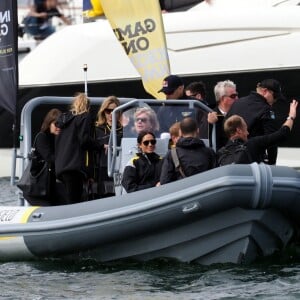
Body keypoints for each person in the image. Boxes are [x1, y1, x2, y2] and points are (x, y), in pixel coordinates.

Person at [218, 100, 298, 165]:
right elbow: (282, 133)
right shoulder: (253, 144)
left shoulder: (221, 152)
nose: (248, 133)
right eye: (245, 129)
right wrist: (291, 117)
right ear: (239, 130)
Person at [55, 92, 101, 204]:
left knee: (69, 198)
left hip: (62, 166)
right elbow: (84, 140)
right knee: (75, 200)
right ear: (87, 106)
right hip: (75, 166)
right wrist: (99, 145)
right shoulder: (85, 117)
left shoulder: (64, 120)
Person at [226, 79, 283, 165]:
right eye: (275, 96)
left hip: (231, 158)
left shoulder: (237, 103)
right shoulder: (266, 109)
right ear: (265, 91)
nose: (275, 100)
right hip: (253, 162)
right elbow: (272, 140)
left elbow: (225, 128)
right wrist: (272, 163)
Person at [160, 117, 216, 184]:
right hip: (206, 192)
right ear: (198, 131)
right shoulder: (209, 152)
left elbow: (164, 181)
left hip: (183, 192)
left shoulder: (172, 154)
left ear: (181, 132)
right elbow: (216, 177)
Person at [24, 108, 62, 206]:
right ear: (49, 123)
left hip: (51, 187)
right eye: (56, 124)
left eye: (61, 124)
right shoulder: (42, 137)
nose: (59, 127)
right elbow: (49, 157)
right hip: (39, 188)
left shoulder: (58, 138)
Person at [94, 96, 123, 198]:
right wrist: (102, 146)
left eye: (114, 110)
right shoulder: (97, 129)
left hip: (121, 168)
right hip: (103, 169)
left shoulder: (124, 129)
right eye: (108, 111)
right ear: (103, 112)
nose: (111, 113)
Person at [207, 80, 238, 150]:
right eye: (233, 96)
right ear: (223, 98)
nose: (237, 98)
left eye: (237, 95)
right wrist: (210, 124)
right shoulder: (209, 115)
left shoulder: (240, 113)